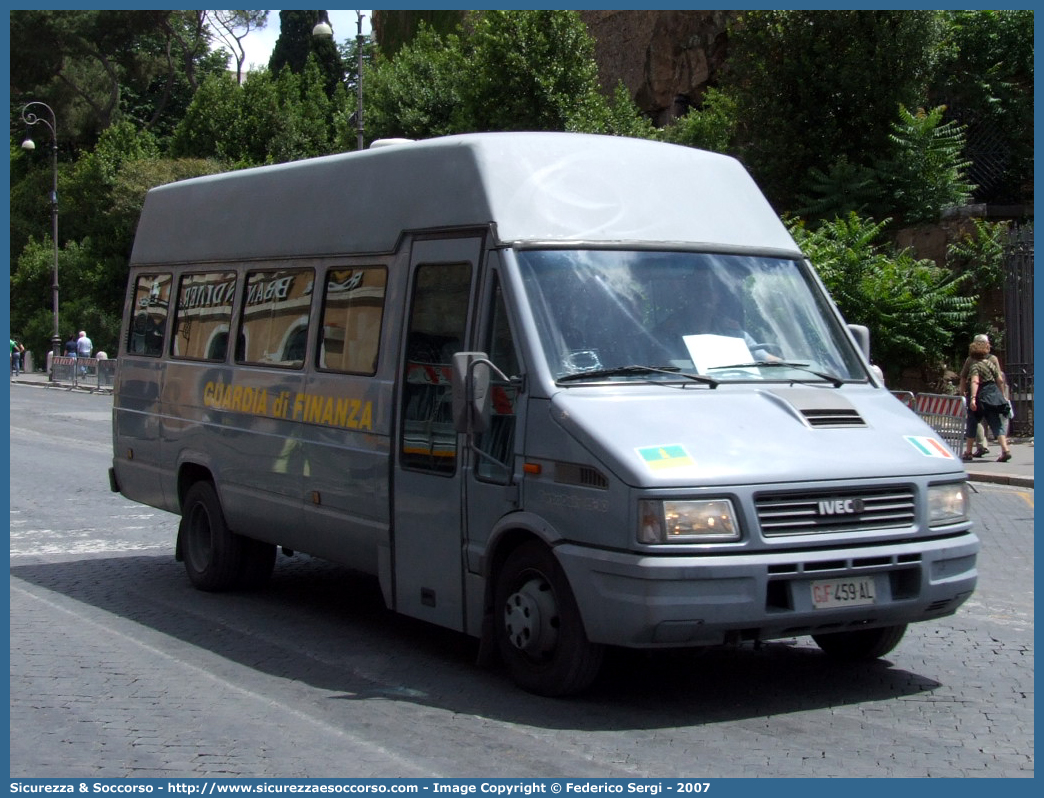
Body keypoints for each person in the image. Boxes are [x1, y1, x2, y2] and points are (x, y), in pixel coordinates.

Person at [962, 338, 1011, 463]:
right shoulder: (990, 363)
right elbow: (1000, 380)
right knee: (996, 423)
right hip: (993, 395)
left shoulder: (975, 365)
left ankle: (968, 452)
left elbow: (975, 381)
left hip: (980, 396)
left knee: (972, 422)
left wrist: (972, 398)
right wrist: (1001, 395)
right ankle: (1005, 449)